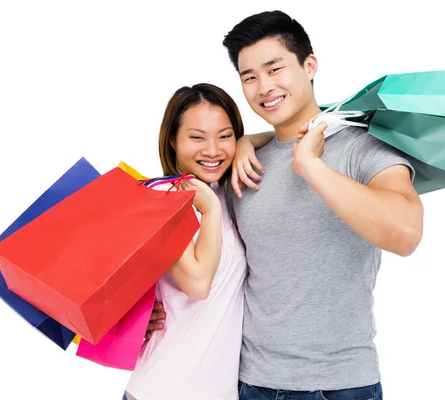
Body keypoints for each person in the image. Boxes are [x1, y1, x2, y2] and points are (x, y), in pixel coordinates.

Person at [221, 10, 425, 399]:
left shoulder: (362, 146)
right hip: (252, 382)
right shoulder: (245, 162)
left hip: (340, 385)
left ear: (309, 65)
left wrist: (311, 166)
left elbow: (406, 234)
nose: (264, 87)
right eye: (249, 77)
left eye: (275, 68)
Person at [123, 83, 273, 400]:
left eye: (225, 135)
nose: (213, 150)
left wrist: (245, 143)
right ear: (173, 141)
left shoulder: (226, 190)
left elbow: (285, 134)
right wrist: (210, 211)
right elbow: (197, 284)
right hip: (162, 390)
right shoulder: (161, 201)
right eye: (197, 137)